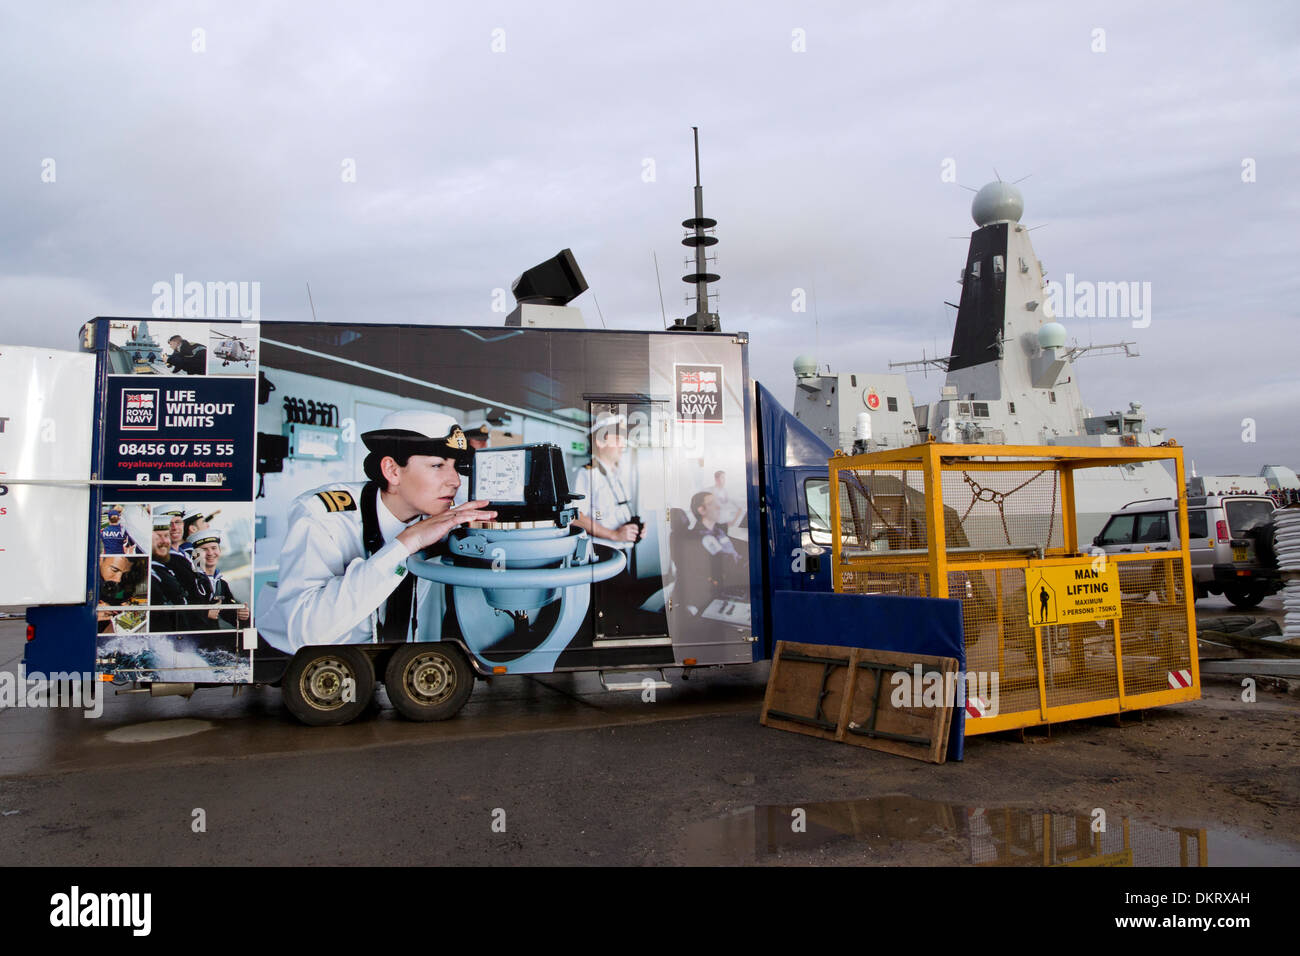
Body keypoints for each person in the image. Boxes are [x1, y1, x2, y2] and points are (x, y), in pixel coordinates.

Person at [256, 411, 496, 653]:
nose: (455, 480)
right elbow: (305, 633)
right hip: (307, 666)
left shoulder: (448, 520)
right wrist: (404, 544)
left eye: (456, 467)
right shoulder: (323, 514)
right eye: (437, 465)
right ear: (392, 470)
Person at [676, 490, 748, 612]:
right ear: (701, 510)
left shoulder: (718, 531)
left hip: (735, 576)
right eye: (712, 503)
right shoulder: (700, 537)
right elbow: (725, 565)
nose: (718, 506)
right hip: (719, 589)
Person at [189, 529, 250, 629]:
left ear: (219, 551)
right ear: (196, 555)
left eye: (214, 548)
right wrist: (205, 613)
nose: (210, 553)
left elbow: (229, 613)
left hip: (213, 639)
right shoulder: (191, 580)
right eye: (204, 550)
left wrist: (241, 615)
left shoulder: (221, 584)